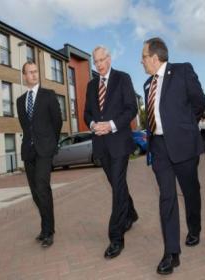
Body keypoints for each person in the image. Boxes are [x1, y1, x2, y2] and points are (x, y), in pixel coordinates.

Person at [141, 37, 205, 275]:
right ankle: (172, 253)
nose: (141, 62)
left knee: (190, 191)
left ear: (155, 57)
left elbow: (199, 102)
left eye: (144, 57)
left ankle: (195, 228)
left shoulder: (182, 71)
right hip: (158, 147)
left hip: (183, 144)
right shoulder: (147, 84)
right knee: (166, 198)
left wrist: (185, 125)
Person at [84, 46, 139, 259]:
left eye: (101, 59)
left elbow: (131, 109)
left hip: (119, 142)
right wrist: (92, 124)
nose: (98, 64)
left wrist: (111, 125)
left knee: (117, 186)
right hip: (101, 144)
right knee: (117, 184)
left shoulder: (123, 78)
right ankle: (131, 213)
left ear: (109, 57)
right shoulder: (90, 86)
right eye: (95, 61)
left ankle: (116, 237)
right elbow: (86, 112)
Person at [16, 61, 62, 248]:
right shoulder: (20, 101)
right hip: (29, 151)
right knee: (35, 192)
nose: (34, 75)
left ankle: (49, 231)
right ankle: (44, 228)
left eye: (36, 72)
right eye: (30, 72)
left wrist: (51, 143)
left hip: (45, 150)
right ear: (24, 76)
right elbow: (26, 127)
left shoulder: (48, 95)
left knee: (42, 187)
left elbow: (57, 121)